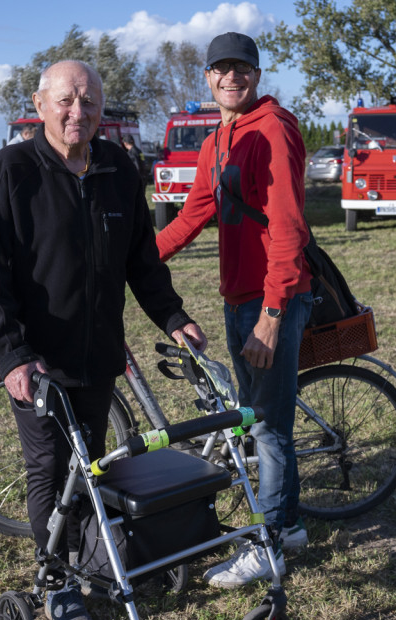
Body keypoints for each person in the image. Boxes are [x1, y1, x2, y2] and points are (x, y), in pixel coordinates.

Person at [0, 60, 207, 620]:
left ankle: (91, 564)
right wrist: (13, 355)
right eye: (68, 100)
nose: (80, 112)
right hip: (39, 362)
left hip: (98, 356)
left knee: (91, 466)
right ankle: (56, 587)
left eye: (91, 102)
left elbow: (141, 263)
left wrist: (174, 317)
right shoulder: (14, 170)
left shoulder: (118, 168)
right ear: (41, 103)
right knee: (49, 471)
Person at [155, 32, 313, 588]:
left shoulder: (272, 128)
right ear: (207, 78)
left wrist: (272, 315)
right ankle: (289, 526)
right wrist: (133, 263)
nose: (231, 78)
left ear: (257, 74)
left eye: (241, 68)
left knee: (267, 428)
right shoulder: (216, 138)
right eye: (220, 69)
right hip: (239, 298)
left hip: (271, 300)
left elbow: (290, 229)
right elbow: (192, 214)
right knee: (263, 420)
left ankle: (268, 546)